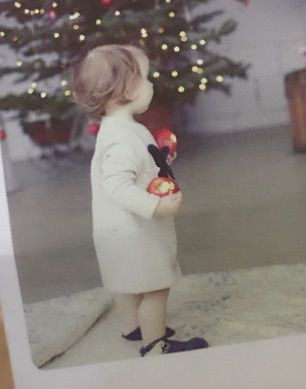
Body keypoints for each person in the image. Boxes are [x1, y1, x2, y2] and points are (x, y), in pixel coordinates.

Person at [71, 43, 208, 357]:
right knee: (154, 288)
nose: (150, 86)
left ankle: (132, 327)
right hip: (134, 232)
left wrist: (161, 160)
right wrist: (155, 205)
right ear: (125, 90)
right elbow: (117, 184)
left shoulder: (121, 129)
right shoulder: (122, 138)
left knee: (129, 283)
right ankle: (155, 344)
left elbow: (138, 165)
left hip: (118, 231)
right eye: (145, 79)